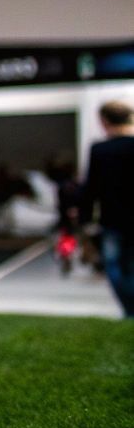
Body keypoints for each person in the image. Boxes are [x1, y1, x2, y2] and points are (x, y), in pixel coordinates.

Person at [79, 100, 134, 317]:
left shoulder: (100, 150)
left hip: (112, 218)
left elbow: (90, 188)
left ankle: (130, 309)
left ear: (104, 121)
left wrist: (85, 219)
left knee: (113, 266)